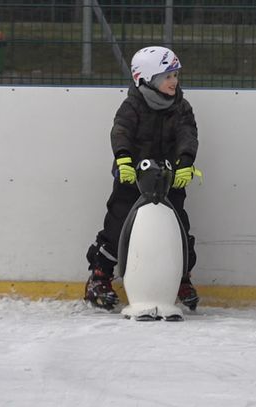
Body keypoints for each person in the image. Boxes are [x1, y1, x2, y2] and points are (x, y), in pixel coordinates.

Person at [84, 46, 200, 311]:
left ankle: (181, 278)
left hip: (169, 178)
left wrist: (185, 163)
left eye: (175, 75)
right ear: (147, 78)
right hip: (132, 177)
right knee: (118, 222)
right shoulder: (132, 105)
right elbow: (121, 131)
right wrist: (123, 159)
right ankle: (99, 277)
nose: (174, 82)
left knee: (178, 226)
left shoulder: (181, 107)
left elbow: (188, 135)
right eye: (167, 76)